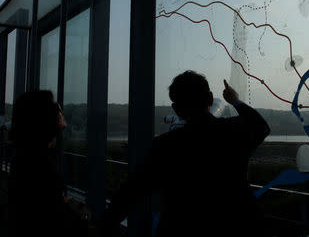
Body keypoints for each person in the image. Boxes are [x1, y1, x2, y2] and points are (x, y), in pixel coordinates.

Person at [100, 70, 270, 236]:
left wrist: (103, 225)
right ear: (210, 98)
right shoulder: (234, 131)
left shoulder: (165, 146)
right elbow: (261, 126)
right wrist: (235, 101)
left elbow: (132, 191)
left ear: (176, 109)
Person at [7, 90, 86, 237]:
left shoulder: (26, 158)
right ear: (43, 117)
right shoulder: (38, 165)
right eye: (56, 107)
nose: (60, 111)